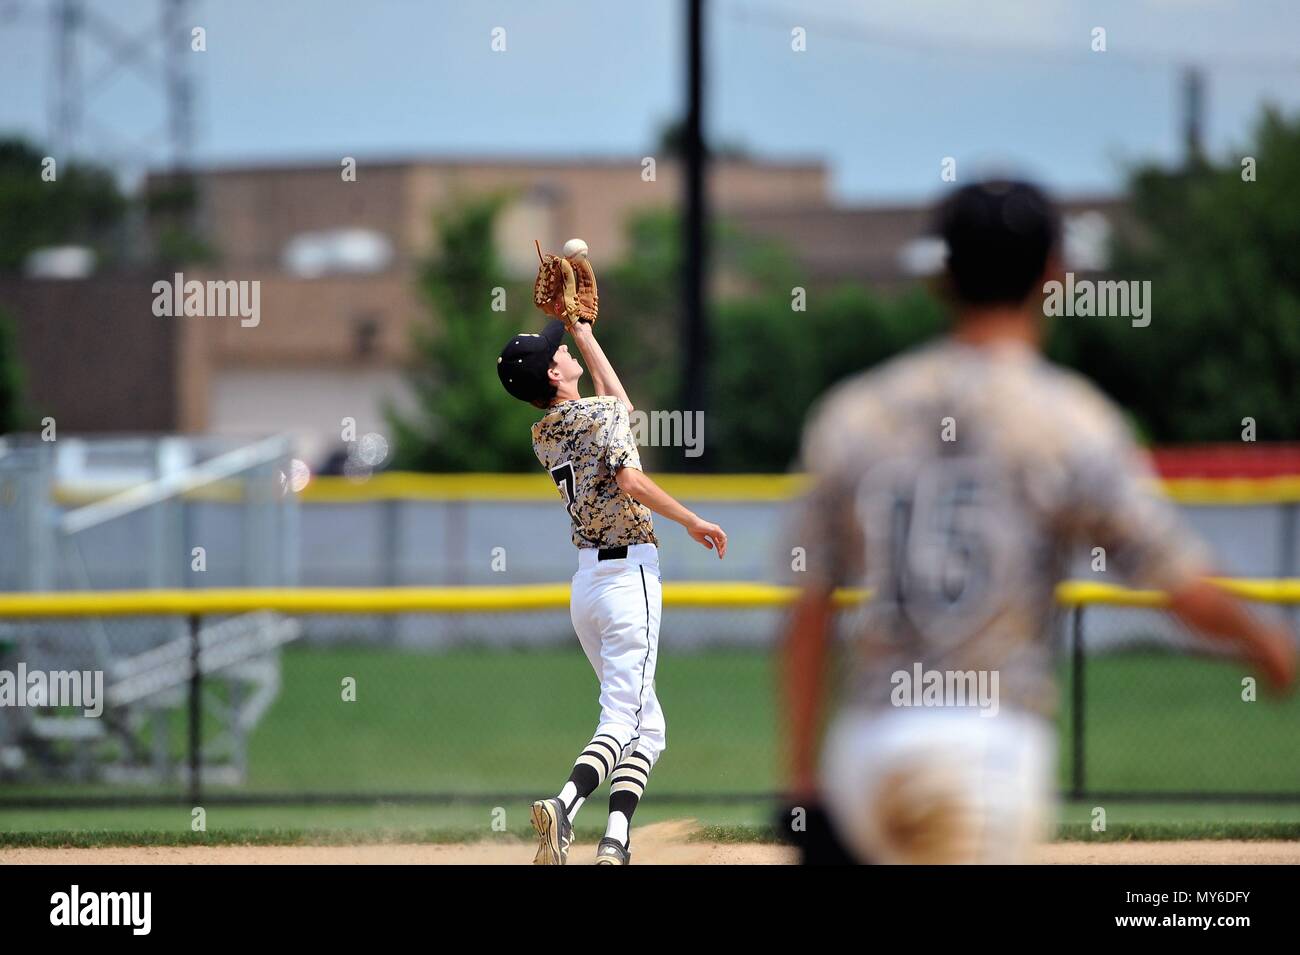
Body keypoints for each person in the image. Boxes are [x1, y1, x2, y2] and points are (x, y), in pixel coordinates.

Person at [780, 179, 1296, 864]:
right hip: (986, 753)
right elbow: (1175, 577)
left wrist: (799, 776)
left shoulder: (857, 411)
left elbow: (808, 605)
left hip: (869, 749)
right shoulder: (1068, 419)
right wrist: (1263, 640)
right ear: (1053, 276)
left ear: (940, 277)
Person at [497, 317, 727, 865]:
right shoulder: (598, 416)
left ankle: (616, 841)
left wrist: (581, 333)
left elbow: (612, 409)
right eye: (558, 351)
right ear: (555, 372)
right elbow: (628, 469)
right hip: (629, 581)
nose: (565, 352)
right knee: (622, 719)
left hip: (587, 588)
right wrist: (691, 520)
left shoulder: (544, 432)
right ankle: (565, 804)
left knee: (647, 725)